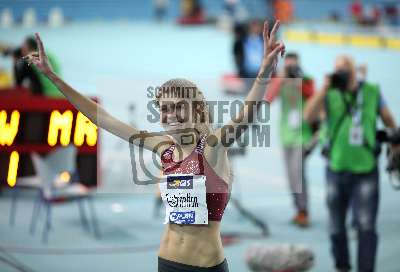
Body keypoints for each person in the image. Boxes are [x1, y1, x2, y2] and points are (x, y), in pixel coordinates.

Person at [24, 20, 285, 272]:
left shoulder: (212, 147)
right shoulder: (164, 148)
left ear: (196, 109)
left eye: (178, 108)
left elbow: (245, 117)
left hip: (204, 267)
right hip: (166, 263)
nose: (169, 115)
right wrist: (52, 77)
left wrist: (263, 74)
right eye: (164, 109)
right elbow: (101, 117)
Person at [304, 55, 397, 272]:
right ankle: (342, 267)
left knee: (366, 227)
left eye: (345, 69)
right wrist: (323, 89)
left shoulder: (372, 91)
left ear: (355, 70)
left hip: (366, 169)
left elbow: (389, 120)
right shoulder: (330, 94)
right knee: (336, 227)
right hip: (336, 169)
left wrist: (395, 144)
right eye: (337, 69)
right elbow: (307, 117)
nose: (342, 73)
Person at [264, 52, 315, 227]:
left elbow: (313, 97)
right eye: (289, 66)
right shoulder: (280, 79)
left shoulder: (307, 79)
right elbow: (268, 99)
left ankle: (303, 210)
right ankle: (298, 209)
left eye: (295, 66)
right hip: (286, 135)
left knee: (297, 173)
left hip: (303, 134)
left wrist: (297, 81)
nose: (292, 69)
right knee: (291, 177)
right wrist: (281, 79)